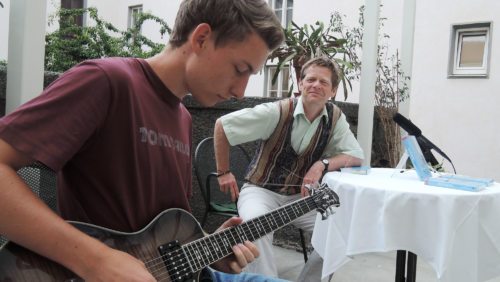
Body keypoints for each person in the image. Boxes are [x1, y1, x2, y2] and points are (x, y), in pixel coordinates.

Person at [0, 0, 286, 281]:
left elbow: (155, 235)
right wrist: (94, 261)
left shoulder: (184, 118)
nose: (240, 91)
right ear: (201, 38)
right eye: (240, 69)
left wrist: (206, 248)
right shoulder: (106, 81)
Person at [214, 56, 364, 281]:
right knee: (255, 225)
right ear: (300, 84)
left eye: (323, 82)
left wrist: (321, 164)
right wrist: (223, 172)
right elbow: (223, 126)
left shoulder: (334, 118)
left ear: (333, 91)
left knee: (339, 232)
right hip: (260, 190)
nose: (316, 85)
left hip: (300, 197)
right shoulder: (276, 112)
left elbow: (356, 156)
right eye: (310, 79)